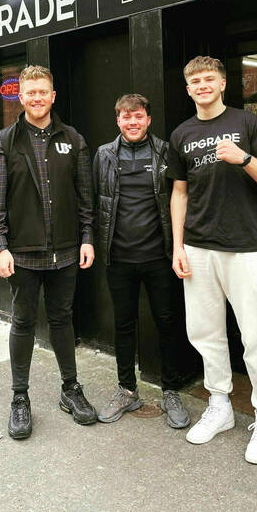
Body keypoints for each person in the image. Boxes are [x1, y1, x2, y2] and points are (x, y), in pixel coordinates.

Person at [167, 56, 257, 464]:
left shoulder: (247, 123)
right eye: (195, 81)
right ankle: (220, 406)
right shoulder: (181, 133)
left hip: (245, 248)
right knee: (205, 334)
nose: (202, 85)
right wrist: (178, 246)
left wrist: (244, 159)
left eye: (209, 79)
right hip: (199, 248)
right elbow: (179, 193)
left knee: (256, 337)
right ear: (188, 89)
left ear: (221, 84)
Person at [0, 65, 97, 440]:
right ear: (21, 97)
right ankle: (20, 397)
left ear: (53, 95)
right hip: (22, 254)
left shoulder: (73, 139)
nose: (37, 98)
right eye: (30, 92)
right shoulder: (4, 141)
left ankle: (70, 389)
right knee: (23, 322)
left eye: (42, 91)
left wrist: (87, 237)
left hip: (65, 251)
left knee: (63, 319)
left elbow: (85, 196)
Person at [93, 93, 190, 429]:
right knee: (123, 324)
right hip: (118, 257)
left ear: (148, 119)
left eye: (138, 116)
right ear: (117, 120)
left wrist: (179, 246)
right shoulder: (104, 155)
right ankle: (127, 390)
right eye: (126, 116)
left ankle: (170, 391)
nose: (132, 122)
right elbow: (95, 201)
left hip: (159, 256)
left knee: (167, 322)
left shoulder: (165, 151)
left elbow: (180, 196)